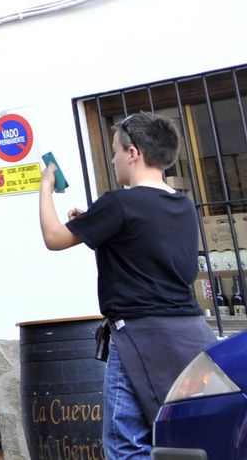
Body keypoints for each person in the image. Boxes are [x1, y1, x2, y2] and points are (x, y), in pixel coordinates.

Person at [39, 111, 217, 459]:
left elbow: (54, 238)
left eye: (115, 151)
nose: (113, 159)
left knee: (126, 443)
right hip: (190, 333)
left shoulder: (118, 203)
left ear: (133, 153)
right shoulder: (183, 205)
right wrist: (94, 224)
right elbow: (146, 248)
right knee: (183, 437)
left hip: (139, 335)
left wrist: (45, 186)